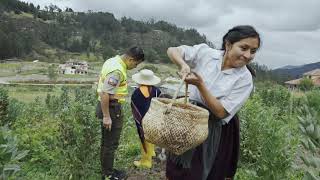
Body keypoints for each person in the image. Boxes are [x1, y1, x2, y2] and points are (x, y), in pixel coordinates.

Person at [165, 25, 261, 180]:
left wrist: (200, 85)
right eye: (243, 48)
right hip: (188, 119)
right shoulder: (206, 53)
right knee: (177, 167)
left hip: (214, 127)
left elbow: (221, 112)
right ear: (228, 45)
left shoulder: (244, 79)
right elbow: (172, 50)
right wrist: (183, 64)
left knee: (202, 171)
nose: (248, 55)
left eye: (253, 51)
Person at [96, 47, 144, 180]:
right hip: (110, 108)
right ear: (130, 59)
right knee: (110, 143)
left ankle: (108, 170)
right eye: (135, 64)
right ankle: (108, 175)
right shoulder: (117, 70)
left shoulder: (111, 61)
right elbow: (106, 93)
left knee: (107, 142)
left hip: (107, 106)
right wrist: (106, 116)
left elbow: (102, 85)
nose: (134, 67)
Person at [130, 69, 161, 168]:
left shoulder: (136, 93)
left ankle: (146, 162)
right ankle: (151, 153)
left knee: (144, 137)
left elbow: (136, 109)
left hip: (143, 120)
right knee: (151, 135)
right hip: (154, 118)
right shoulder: (157, 91)